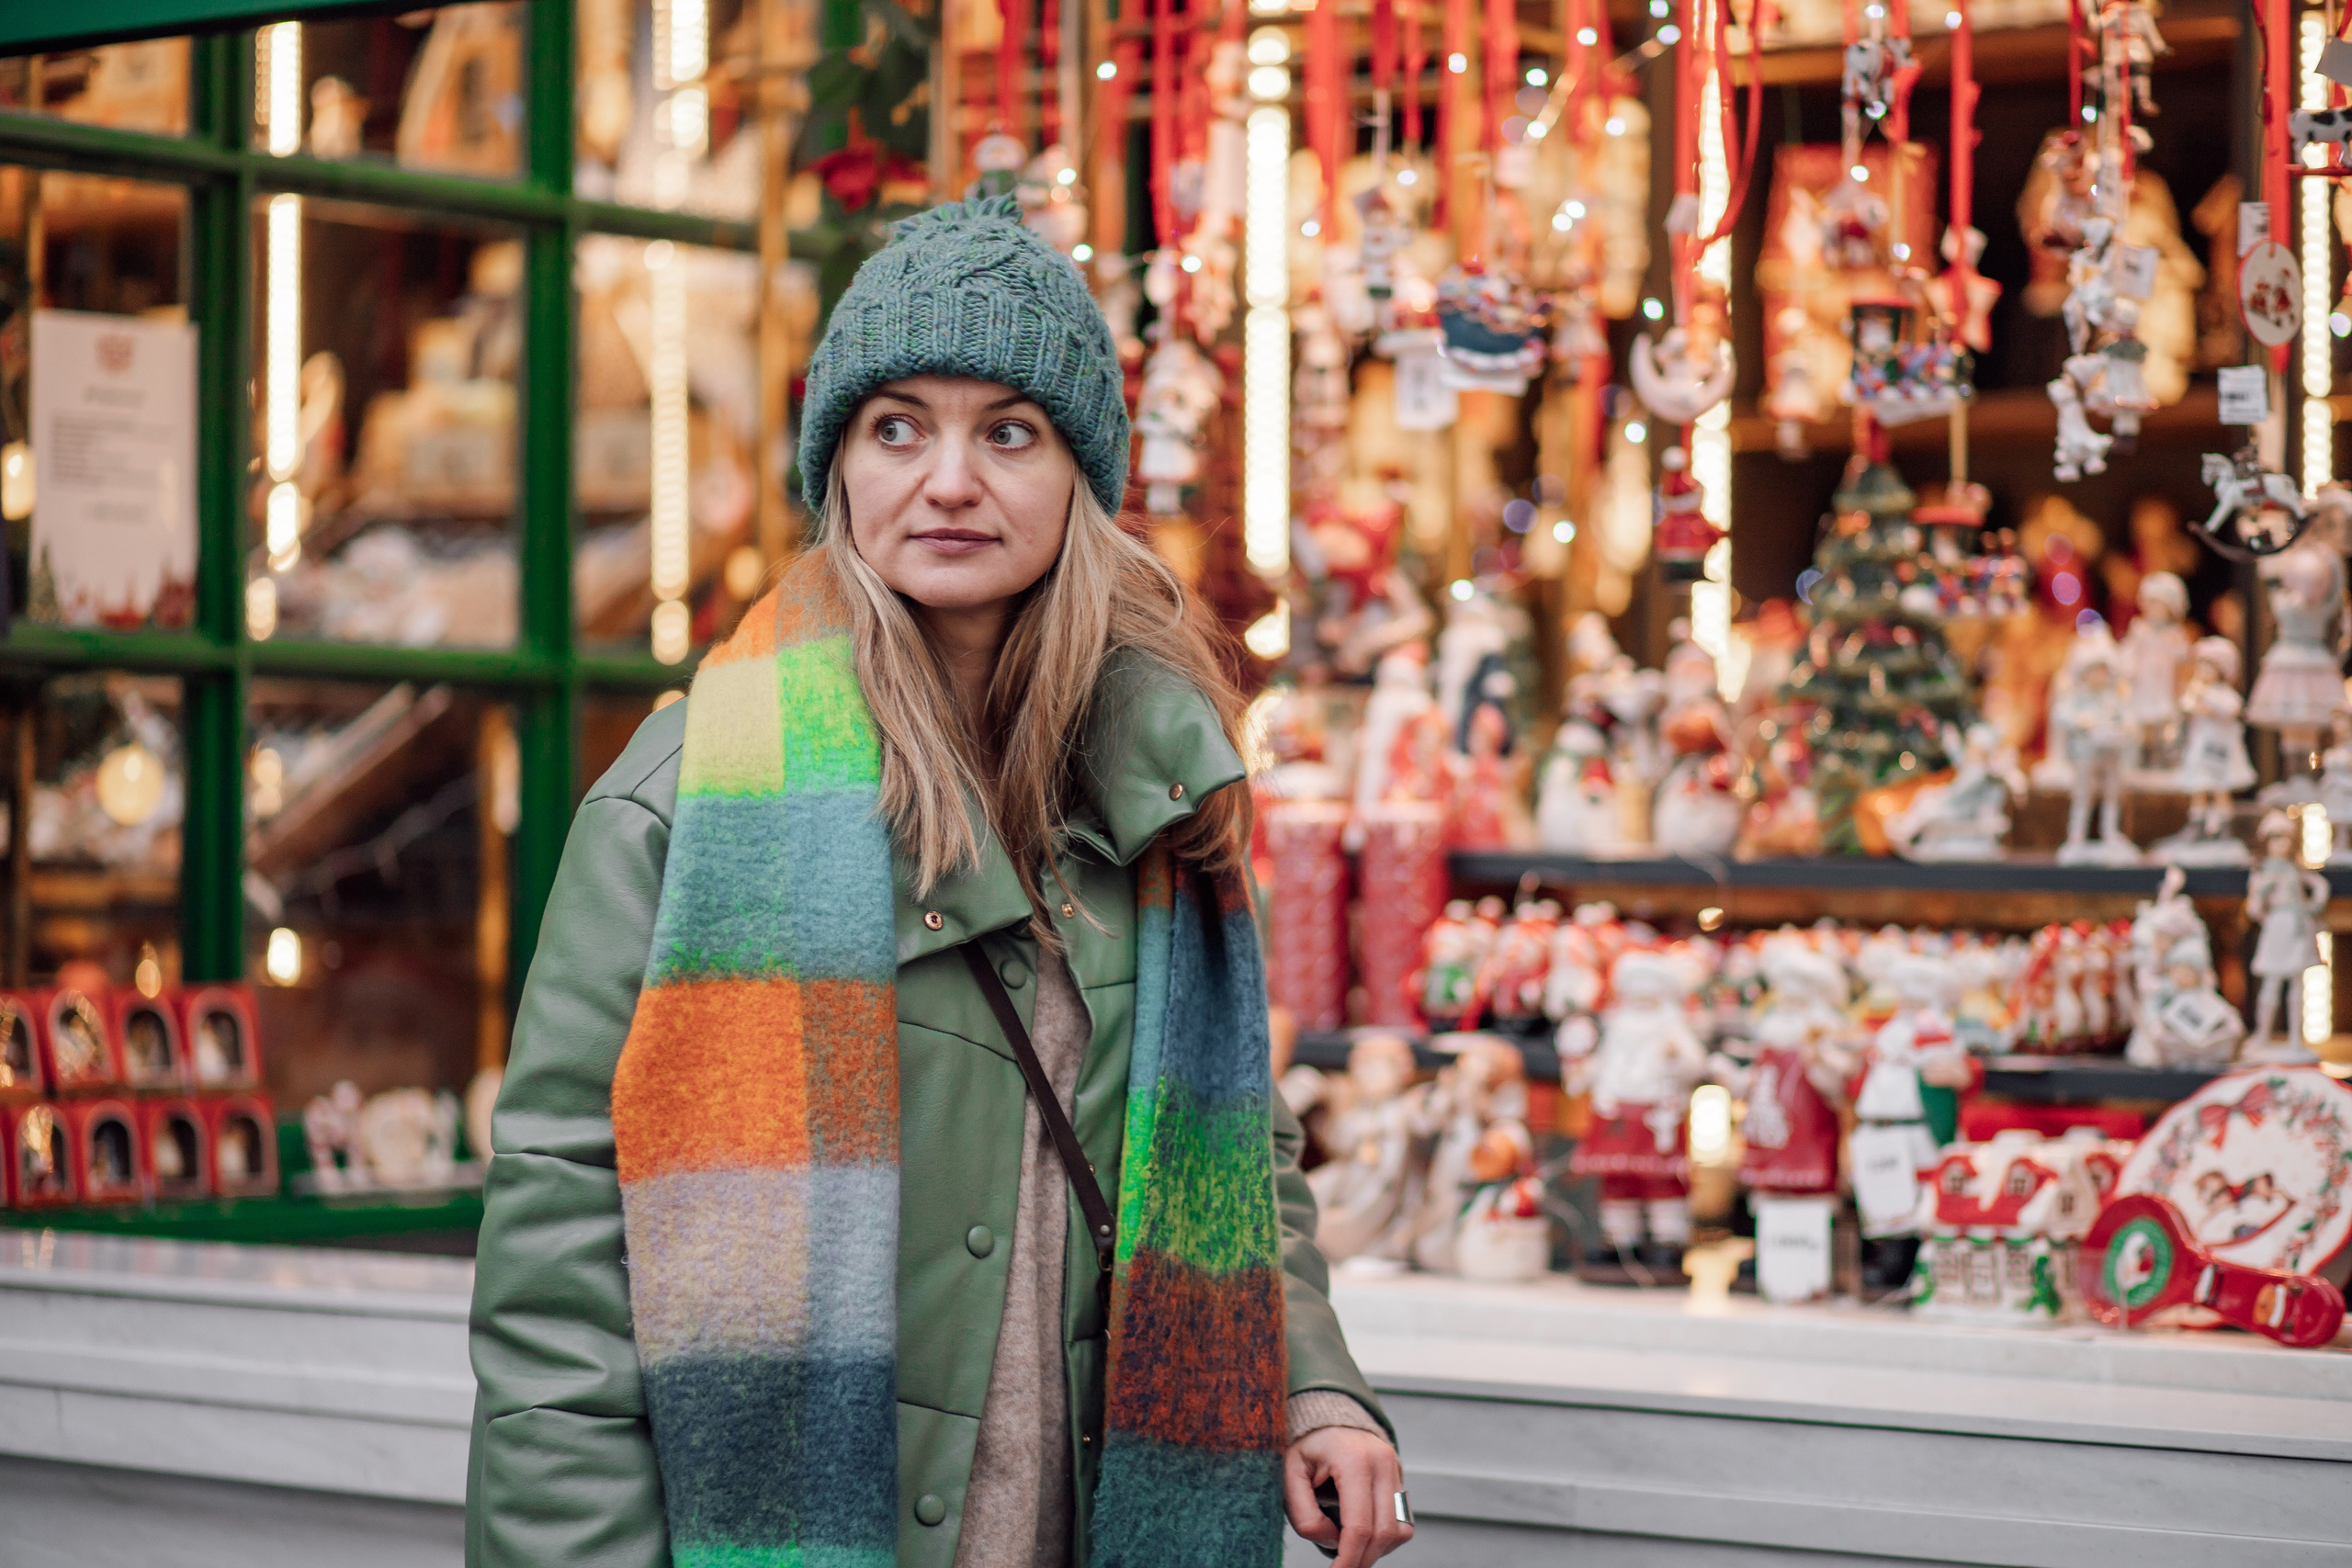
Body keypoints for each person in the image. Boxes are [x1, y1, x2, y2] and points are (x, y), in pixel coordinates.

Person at [467, 196, 1412, 1568]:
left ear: (1079, 477)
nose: (948, 479)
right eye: (897, 426)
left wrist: (1311, 1381)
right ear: (840, 465)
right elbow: (561, 1243)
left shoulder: (1161, 789)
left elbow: (1230, 1149)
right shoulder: (687, 804)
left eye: (1007, 432)